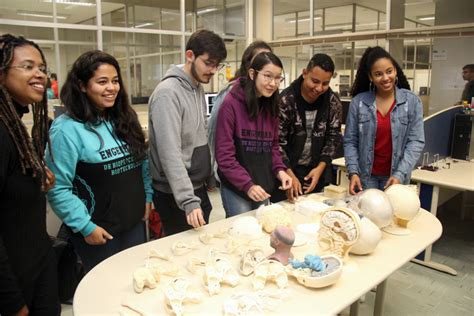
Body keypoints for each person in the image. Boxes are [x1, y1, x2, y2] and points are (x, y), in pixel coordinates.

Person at [46, 50, 153, 272]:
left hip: (134, 222)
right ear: (82, 85)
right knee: (108, 292)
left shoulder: (124, 118)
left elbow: (142, 163)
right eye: (102, 82)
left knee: (136, 281)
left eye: (115, 81)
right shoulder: (66, 130)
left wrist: (148, 197)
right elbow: (58, 188)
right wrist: (85, 227)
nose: (112, 88)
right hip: (99, 232)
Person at [0, 34, 60, 316]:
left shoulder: (13, 122)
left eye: (42, 68)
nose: (39, 74)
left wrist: (33, 179)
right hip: (14, 279)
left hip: (37, 260)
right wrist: (12, 302)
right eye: (27, 67)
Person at [148, 30, 227, 235]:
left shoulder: (197, 87)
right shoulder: (167, 93)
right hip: (175, 193)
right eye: (208, 63)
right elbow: (170, 152)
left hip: (196, 186)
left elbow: (198, 135)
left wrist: (208, 174)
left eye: (217, 65)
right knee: (184, 252)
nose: (213, 70)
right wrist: (187, 200)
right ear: (190, 55)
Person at [215, 51, 292, 217]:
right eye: (267, 76)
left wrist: (280, 170)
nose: (273, 83)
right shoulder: (231, 104)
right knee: (242, 233)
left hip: (262, 184)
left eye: (278, 78)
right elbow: (225, 157)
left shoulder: (271, 105)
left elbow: (273, 146)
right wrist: (247, 185)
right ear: (252, 73)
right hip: (236, 186)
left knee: (263, 230)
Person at [344, 46, 425, 195]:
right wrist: (353, 171)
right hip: (366, 179)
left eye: (389, 71)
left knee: (395, 216)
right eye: (378, 74)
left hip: (397, 177)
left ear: (395, 70)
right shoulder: (359, 103)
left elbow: (416, 141)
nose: (386, 78)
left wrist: (399, 174)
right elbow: (350, 141)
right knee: (368, 217)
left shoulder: (412, 102)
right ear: (370, 77)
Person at [275, 53, 342, 202]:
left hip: (318, 170)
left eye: (325, 83)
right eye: (315, 81)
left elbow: (333, 138)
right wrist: (289, 173)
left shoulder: (333, 102)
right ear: (304, 73)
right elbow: (277, 142)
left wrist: (320, 168)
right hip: (287, 170)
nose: (319, 88)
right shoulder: (285, 101)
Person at [208, 41, 272, 182]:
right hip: (233, 176)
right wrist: (215, 172)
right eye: (259, 60)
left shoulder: (268, 97)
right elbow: (213, 134)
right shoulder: (230, 95)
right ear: (248, 67)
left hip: (259, 175)